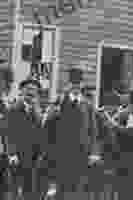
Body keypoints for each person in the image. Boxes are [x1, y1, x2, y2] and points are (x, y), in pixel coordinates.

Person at [45, 68, 100, 200]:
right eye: (73, 83)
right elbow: (49, 128)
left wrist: (94, 152)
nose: (75, 86)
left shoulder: (88, 105)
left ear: (82, 85)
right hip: (63, 154)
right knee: (62, 190)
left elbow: (93, 131)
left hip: (82, 154)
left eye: (78, 83)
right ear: (68, 84)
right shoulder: (59, 102)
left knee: (78, 190)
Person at [4, 78, 47, 200]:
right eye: (28, 89)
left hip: (32, 157)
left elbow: (40, 135)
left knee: (30, 189)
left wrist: (40, 154)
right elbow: (8, 133)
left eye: (34, 90)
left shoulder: (37, 112)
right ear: (22, 91)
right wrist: (11, 154)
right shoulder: (13, 109)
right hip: (17, 156)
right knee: (14, 189)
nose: (31, 92)